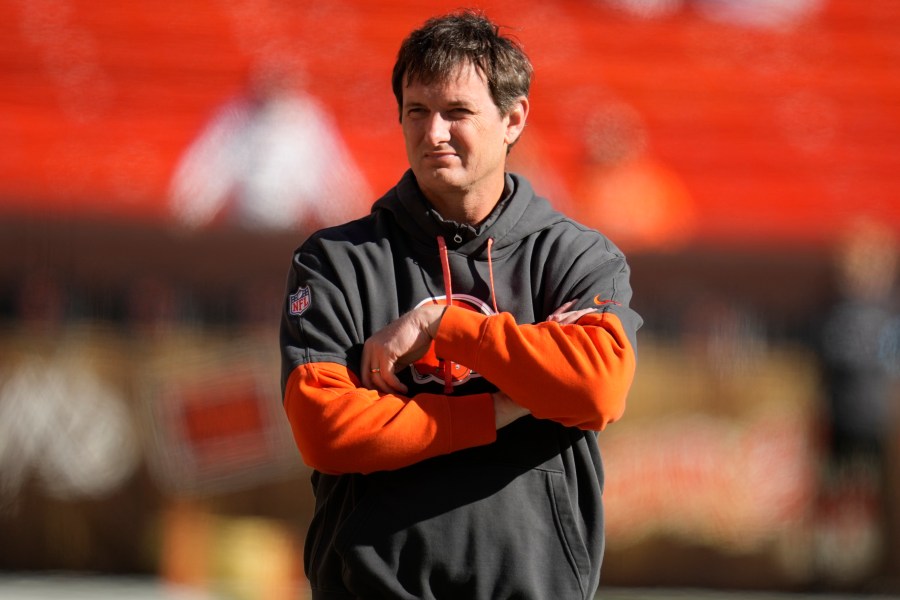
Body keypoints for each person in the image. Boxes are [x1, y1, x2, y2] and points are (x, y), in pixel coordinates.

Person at [280, 10, 641, 599]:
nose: (434, 133)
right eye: (417, 112)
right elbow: (327, 430)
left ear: (513, 118)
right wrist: (507, 404)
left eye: (457, 112)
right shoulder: (335, 260)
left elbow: (596, 389)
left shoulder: (576, 255)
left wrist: (443, 323)